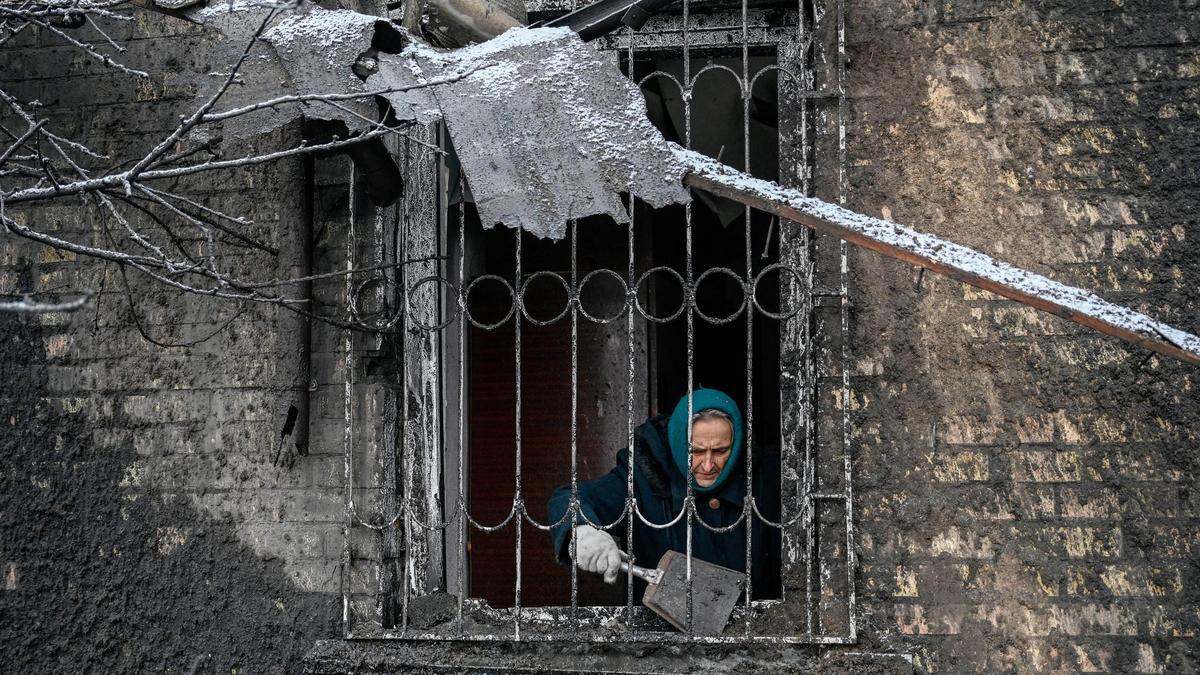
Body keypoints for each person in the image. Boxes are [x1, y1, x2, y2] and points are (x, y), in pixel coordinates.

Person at [548, 388, 781, 599]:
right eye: (695, 451)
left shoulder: (767, 477)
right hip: (662, 637)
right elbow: (569, 498)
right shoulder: (644, 475)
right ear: (678, 442)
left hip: (756, 632)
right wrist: (583, 532)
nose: (708, 465)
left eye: (720, 451)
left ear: (737, 444)